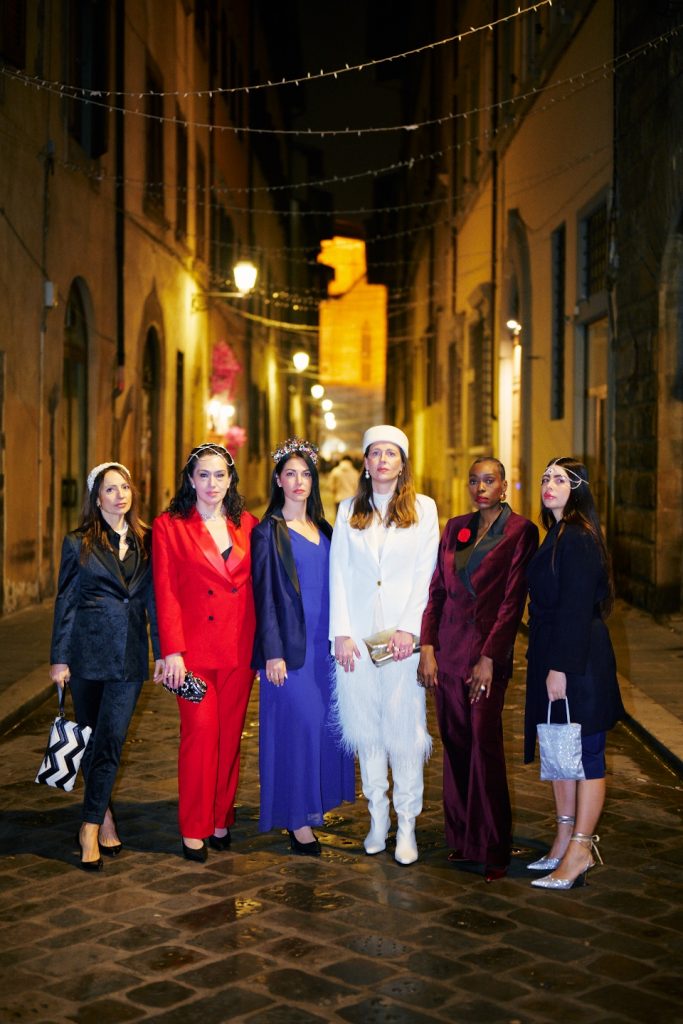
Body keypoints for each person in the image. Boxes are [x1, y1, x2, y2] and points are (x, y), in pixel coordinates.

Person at [418, 457, 538, 882]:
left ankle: (493, 847)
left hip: (485, 656)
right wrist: (427, 646)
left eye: (489, 480)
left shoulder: (520, 532)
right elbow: (436, 592)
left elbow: (512, 602)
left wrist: (490, 658)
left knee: (484, 748)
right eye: (474, 481)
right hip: (447, 654)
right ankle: (464, 838)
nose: (481, 487)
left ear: (504, 486)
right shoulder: (455, 528)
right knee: (455, 746)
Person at [329, 425, 439, 865]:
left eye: (390, 453)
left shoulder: (423, 509)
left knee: (404, 733)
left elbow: (426, 574)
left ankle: (407, 823)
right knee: (367, 732)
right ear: (365, 462)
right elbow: (339, 572)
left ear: (402, 462)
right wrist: (340, 632)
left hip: (400, 641)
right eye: (375, 453)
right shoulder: (347, 510)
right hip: (358, 639)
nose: (382, 460)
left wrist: (409, 629)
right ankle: (378, 818)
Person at [50, 462, 163, 871]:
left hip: (129, 658)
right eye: (110, 489)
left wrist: (162, 652)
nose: (119, 495)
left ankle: (89, 826)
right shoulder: (78, 542)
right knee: (91, 740)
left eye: (124, 487)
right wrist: (59, 659)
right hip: (87, 656)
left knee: (111, 740)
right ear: (97, 498)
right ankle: (105, 814)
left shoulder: (147, 541)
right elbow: (66, 601)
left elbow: (154, 602)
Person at [152, 443, 258, 863]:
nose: (212, 483)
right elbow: (165, 591)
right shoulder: (169, 526)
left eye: (219, 475)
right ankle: (194, 826)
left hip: (239, 650)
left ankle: (219, 816)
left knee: (230, 738)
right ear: (190, 480)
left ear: (231, 479)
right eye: (203, 475)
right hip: (192, 655)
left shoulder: (247, 524)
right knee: (200, 735)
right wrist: (171, 651)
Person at [251, 438, 356, 856]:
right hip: (290, 652)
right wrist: (272, 653)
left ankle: (312, 807)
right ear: (278, 480)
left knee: (325, 728)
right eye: (290, 474)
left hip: (325, 648)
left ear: (314, 480)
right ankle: (296, 820)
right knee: (299, 729)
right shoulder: (267, 532)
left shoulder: (325, 529)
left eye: (305, 474)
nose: (298, 481)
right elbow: (264, 597)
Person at [525, 457, 624, 890]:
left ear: (578, 489)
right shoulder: (558, 532)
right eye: (546, 478)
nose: (549, 484)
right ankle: (564, 837)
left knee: (586, 754)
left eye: (561, 479)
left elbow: (576, 608)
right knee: (560, 749)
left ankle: (581, 848)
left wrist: (560, 669)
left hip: (579, 659)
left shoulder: (579, 537)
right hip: (557, 650)